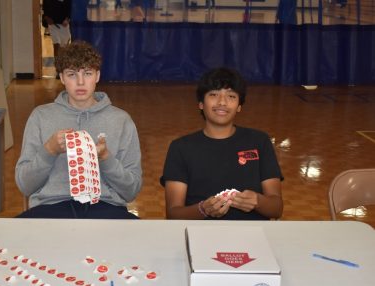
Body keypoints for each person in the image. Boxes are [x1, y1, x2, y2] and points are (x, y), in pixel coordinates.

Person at [15, 41, 142, 219]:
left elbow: (131, 191)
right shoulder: (40, 117)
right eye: (72, 74)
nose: (80, 82)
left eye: (88, 73)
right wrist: (49, 151)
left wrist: (105, 158)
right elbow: (25, 186)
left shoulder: (121, 121)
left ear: (97, 76)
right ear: (61, 77)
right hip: (51, 207)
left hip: (106, 207)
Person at [160, 67, 283, 220]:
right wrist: (202, 209)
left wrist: (258, 202)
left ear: (239, 106)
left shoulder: (259, 141)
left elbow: (276, 208)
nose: (222, 102)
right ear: (201, 103)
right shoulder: (181, 148)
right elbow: (173, 214)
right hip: (202, 234)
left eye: (231, 96)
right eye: (213, 94)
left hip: (252, 234)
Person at [42, 0, 72, 77]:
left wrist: (68, 19)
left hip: (64, 24)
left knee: (64, 47)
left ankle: (65, 66)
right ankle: (58, 70)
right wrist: (47, 18)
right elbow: (44, 9)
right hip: (53, 24)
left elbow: (70, 7)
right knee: (57, 45)